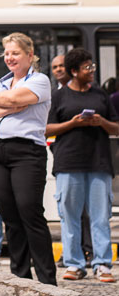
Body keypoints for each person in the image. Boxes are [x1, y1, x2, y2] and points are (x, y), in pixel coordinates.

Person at [0, 32, 57, 286]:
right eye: (7, 53)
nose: (10, 58)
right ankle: (21, 278)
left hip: (27, 153)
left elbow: (6, 99)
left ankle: (47, 281)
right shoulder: (0, 83)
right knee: (9, 216)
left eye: (16, 53)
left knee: (29, 212)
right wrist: (7, 107)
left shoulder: (39, 80)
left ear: (29, 55)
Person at [47, 48, 119, 282]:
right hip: (68, 163)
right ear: (74, 71)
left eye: (92, 66)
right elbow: (46, 128)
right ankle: (74, 264)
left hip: (99, 162)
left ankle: (102, 265)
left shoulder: (100, 95)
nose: (92, 71)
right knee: (69, 216)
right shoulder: (59, 96)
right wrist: (73, 123)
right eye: (87, 67)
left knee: (100, 216)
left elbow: (116, 127)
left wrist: (102, 122)